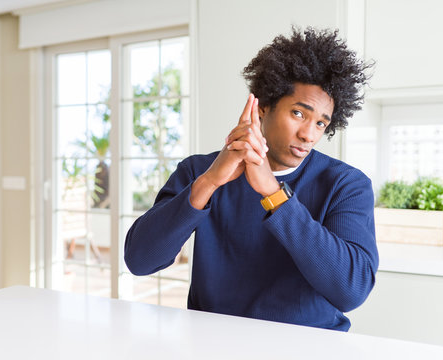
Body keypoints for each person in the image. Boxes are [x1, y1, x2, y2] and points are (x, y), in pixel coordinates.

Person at [124, 27, 378, 332]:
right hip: (213, 343)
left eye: (321, 123)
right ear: (264, 106)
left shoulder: (345, 185)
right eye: (299, 113)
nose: (309, 134)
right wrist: (209, 183)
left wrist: (272, 191)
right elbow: (140, 261)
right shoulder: (199, 171)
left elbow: (351, 290)